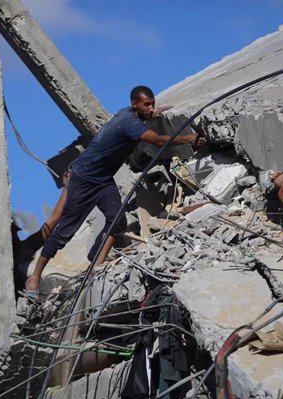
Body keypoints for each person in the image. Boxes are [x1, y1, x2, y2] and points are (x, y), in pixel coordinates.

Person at [24, 85, 205, 295]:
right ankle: (34, 278)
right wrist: (187, 138)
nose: (150, 107)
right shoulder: (129, 123)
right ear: (134, 104)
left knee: (117, 220)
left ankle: (96, 268)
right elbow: (156, 140)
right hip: (84, 179)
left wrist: (153, 114)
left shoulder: (126, 113)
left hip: (102, 180)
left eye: (152, 104)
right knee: (65, 231)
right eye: (146, 104)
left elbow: (138, 117)